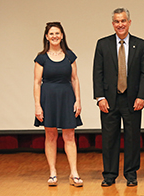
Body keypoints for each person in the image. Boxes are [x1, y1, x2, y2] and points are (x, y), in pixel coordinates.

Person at [93, 8, 144, 187]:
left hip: (132, 100)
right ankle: (109, 175)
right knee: (109, 138)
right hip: (109, 100)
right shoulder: (103, 44)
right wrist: (100, 97)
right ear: (113, 24)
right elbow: (98, 72)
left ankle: (131, 174)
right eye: (117, 21)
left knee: (133, 138)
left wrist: (142, 96)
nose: (120, 24)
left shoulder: (141, 45)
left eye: (123, 21)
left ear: (129, 22)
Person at [34, 22, 83, 187]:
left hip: (67, 98)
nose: (54, 36)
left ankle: (74, 173)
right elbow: (36, 82)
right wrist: (37, 105)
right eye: (51, 34)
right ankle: (53, 173)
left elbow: (75, 79)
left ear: (62, 36)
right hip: (48, 99)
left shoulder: (70, 56)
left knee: (69, 136)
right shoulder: (41, 58)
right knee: (51, 136)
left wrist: (78, 100)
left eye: (57, 33)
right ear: (47, 37)